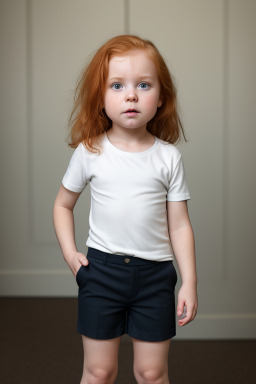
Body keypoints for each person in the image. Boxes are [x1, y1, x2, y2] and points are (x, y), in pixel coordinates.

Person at [53, 34, 198, 384]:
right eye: (117, 85)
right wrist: (70, 254)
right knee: (99, 372)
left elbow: (179, 226)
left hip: (155, 278)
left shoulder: (168, 157)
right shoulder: (90, 151)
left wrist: (189, 281)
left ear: (161, 98)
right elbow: (62, 204)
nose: (131, 95)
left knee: (151, 372)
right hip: (102, 274)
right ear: (101, 98)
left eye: (143, 85)